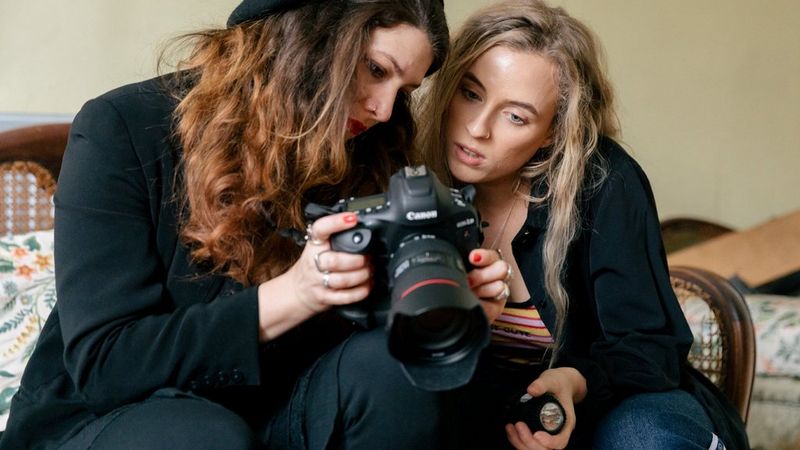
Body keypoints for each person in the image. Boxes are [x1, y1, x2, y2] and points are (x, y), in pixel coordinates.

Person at [0, 1, 513, 449]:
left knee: (393, 371)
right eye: (376, 70)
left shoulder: (372, 153)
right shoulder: (123, 127)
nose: (383, 110)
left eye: (403, 90)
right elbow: (107, 366)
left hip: (276, 412)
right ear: (310, 41)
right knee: (202, 436)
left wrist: (443, 304)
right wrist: (297, 293)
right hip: (110, 420)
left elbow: (362, 347)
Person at [416, 0, 750, 449]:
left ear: (553, 131)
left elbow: (651, 344)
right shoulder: (403, 170)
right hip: (484, 414)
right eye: (471, 93)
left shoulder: (604, 181)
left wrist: (574, 382)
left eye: (516, 116)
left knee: (644, 437)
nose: (477, 128)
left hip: (614, 404)